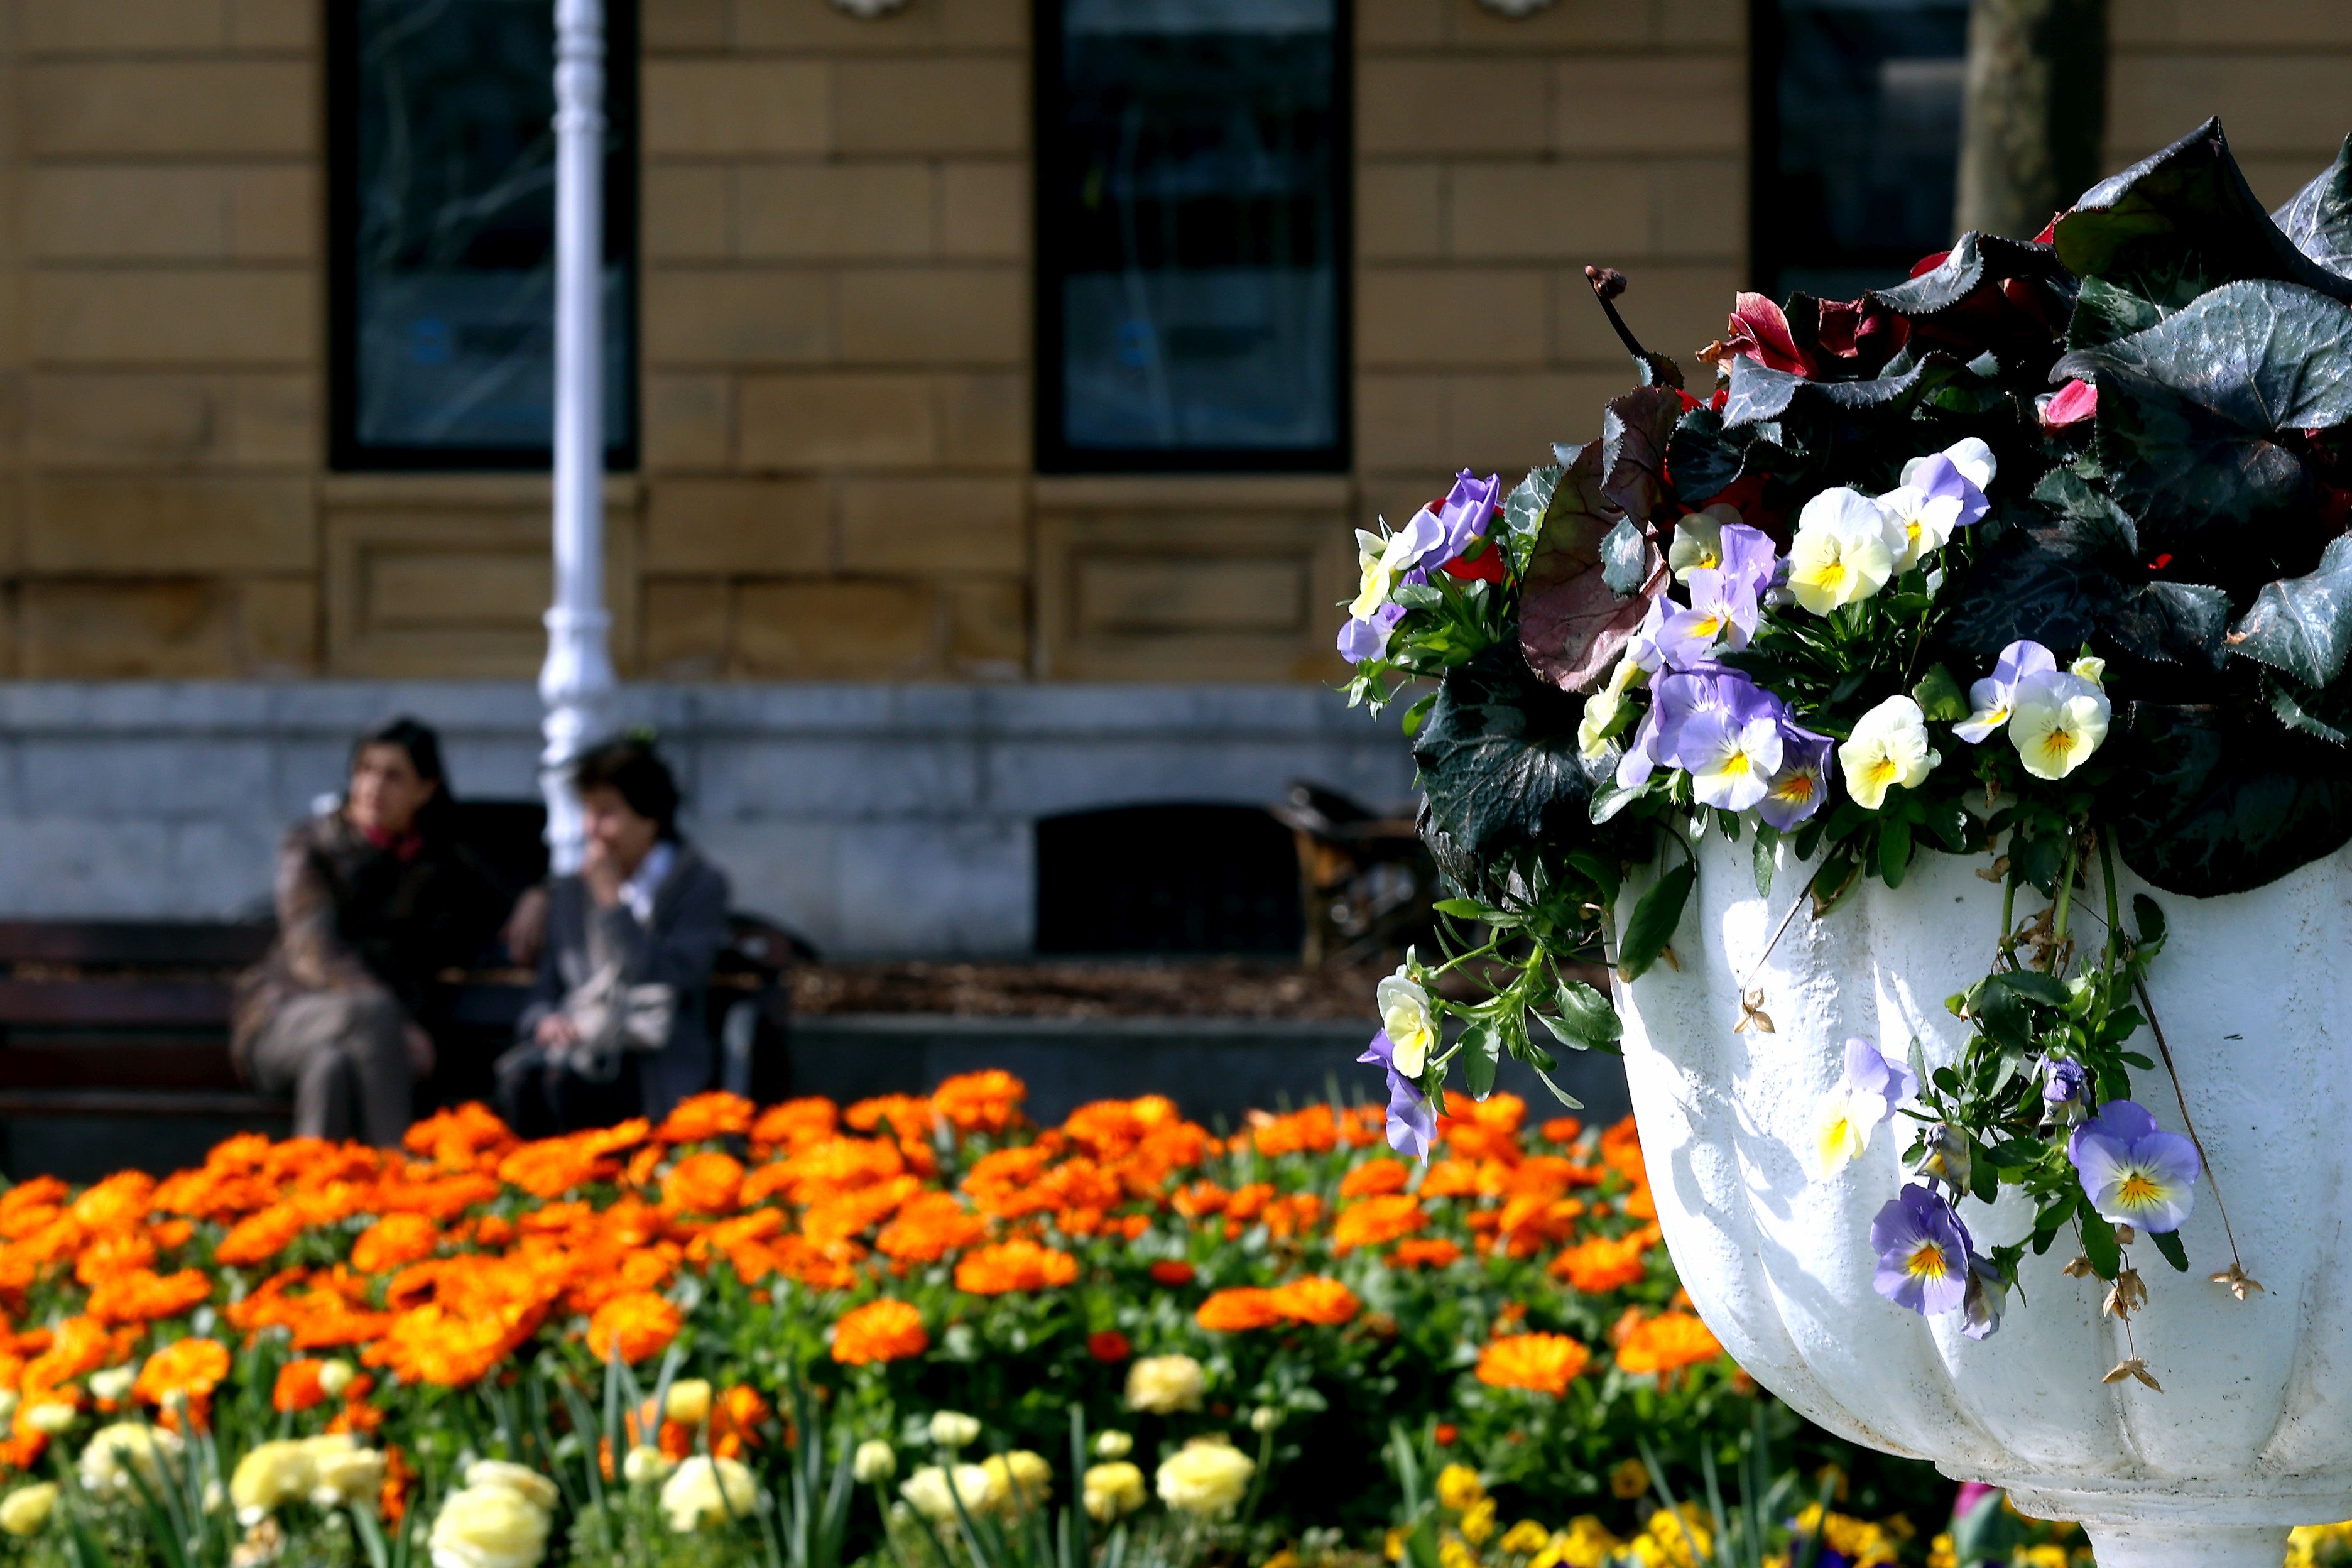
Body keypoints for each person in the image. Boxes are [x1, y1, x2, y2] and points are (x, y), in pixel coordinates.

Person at [232, 719, 507, 1147]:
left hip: (357, 1041)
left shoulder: (441, 861)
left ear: (426, 789)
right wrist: (398, 1022)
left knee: (331, 1069)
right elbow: (313, 951)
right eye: (364, 770)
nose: (372, 786)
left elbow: (507, 888)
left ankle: (318, 1197)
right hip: (285, 1019)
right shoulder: (313, 844)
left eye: (393, 775)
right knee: (372, 1014)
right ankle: (394, 1165)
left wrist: (537, 898)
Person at [495, 739, 730, 1134]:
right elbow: (546, 988)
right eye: (588, 812)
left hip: (651, 1058)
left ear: (650, 818)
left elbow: (669, 977)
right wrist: (546, 1020)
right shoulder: (570, 891)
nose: (592, 829)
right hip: (579, 1046)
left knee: (568, 1085)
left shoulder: (698, 886)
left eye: (607, 813)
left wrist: (612, 907)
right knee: (523, 1083)